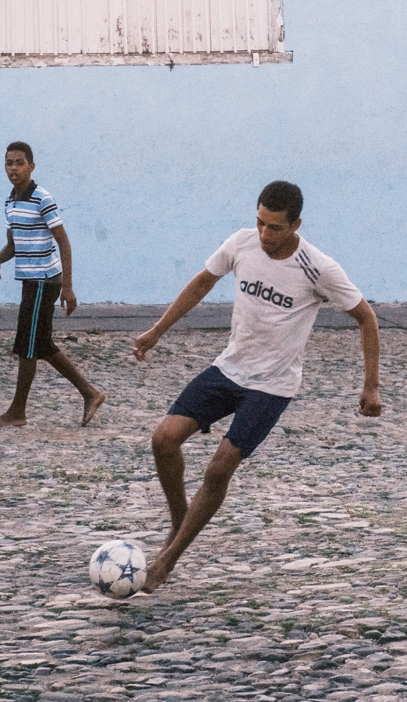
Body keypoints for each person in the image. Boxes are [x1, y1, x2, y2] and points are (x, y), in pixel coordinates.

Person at [131, 180, 381, 592]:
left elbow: (367, 318)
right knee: (163, 439)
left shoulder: (318, 268)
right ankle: (180, 522)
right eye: (260, 223)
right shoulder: (242, 243)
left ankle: (168, 559)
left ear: (296, 224)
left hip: (272, 386)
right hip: (228, 369)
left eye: (275, 228)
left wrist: (371, 386)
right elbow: (201, 282)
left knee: (219, 467)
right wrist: (157, 331)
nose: (265, 235)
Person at [0, 141, 106, 428]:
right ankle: (90, 393)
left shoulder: (42, 198)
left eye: (19, 163)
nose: (13, 168)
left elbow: (63, 241)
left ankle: (17, 412)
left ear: (31, 166)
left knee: (28, 344)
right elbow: (14, 244)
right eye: (9, 163)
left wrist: (68, 286)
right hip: (28, 280)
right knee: (40, 344)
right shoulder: (10, 202)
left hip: (44, 281)